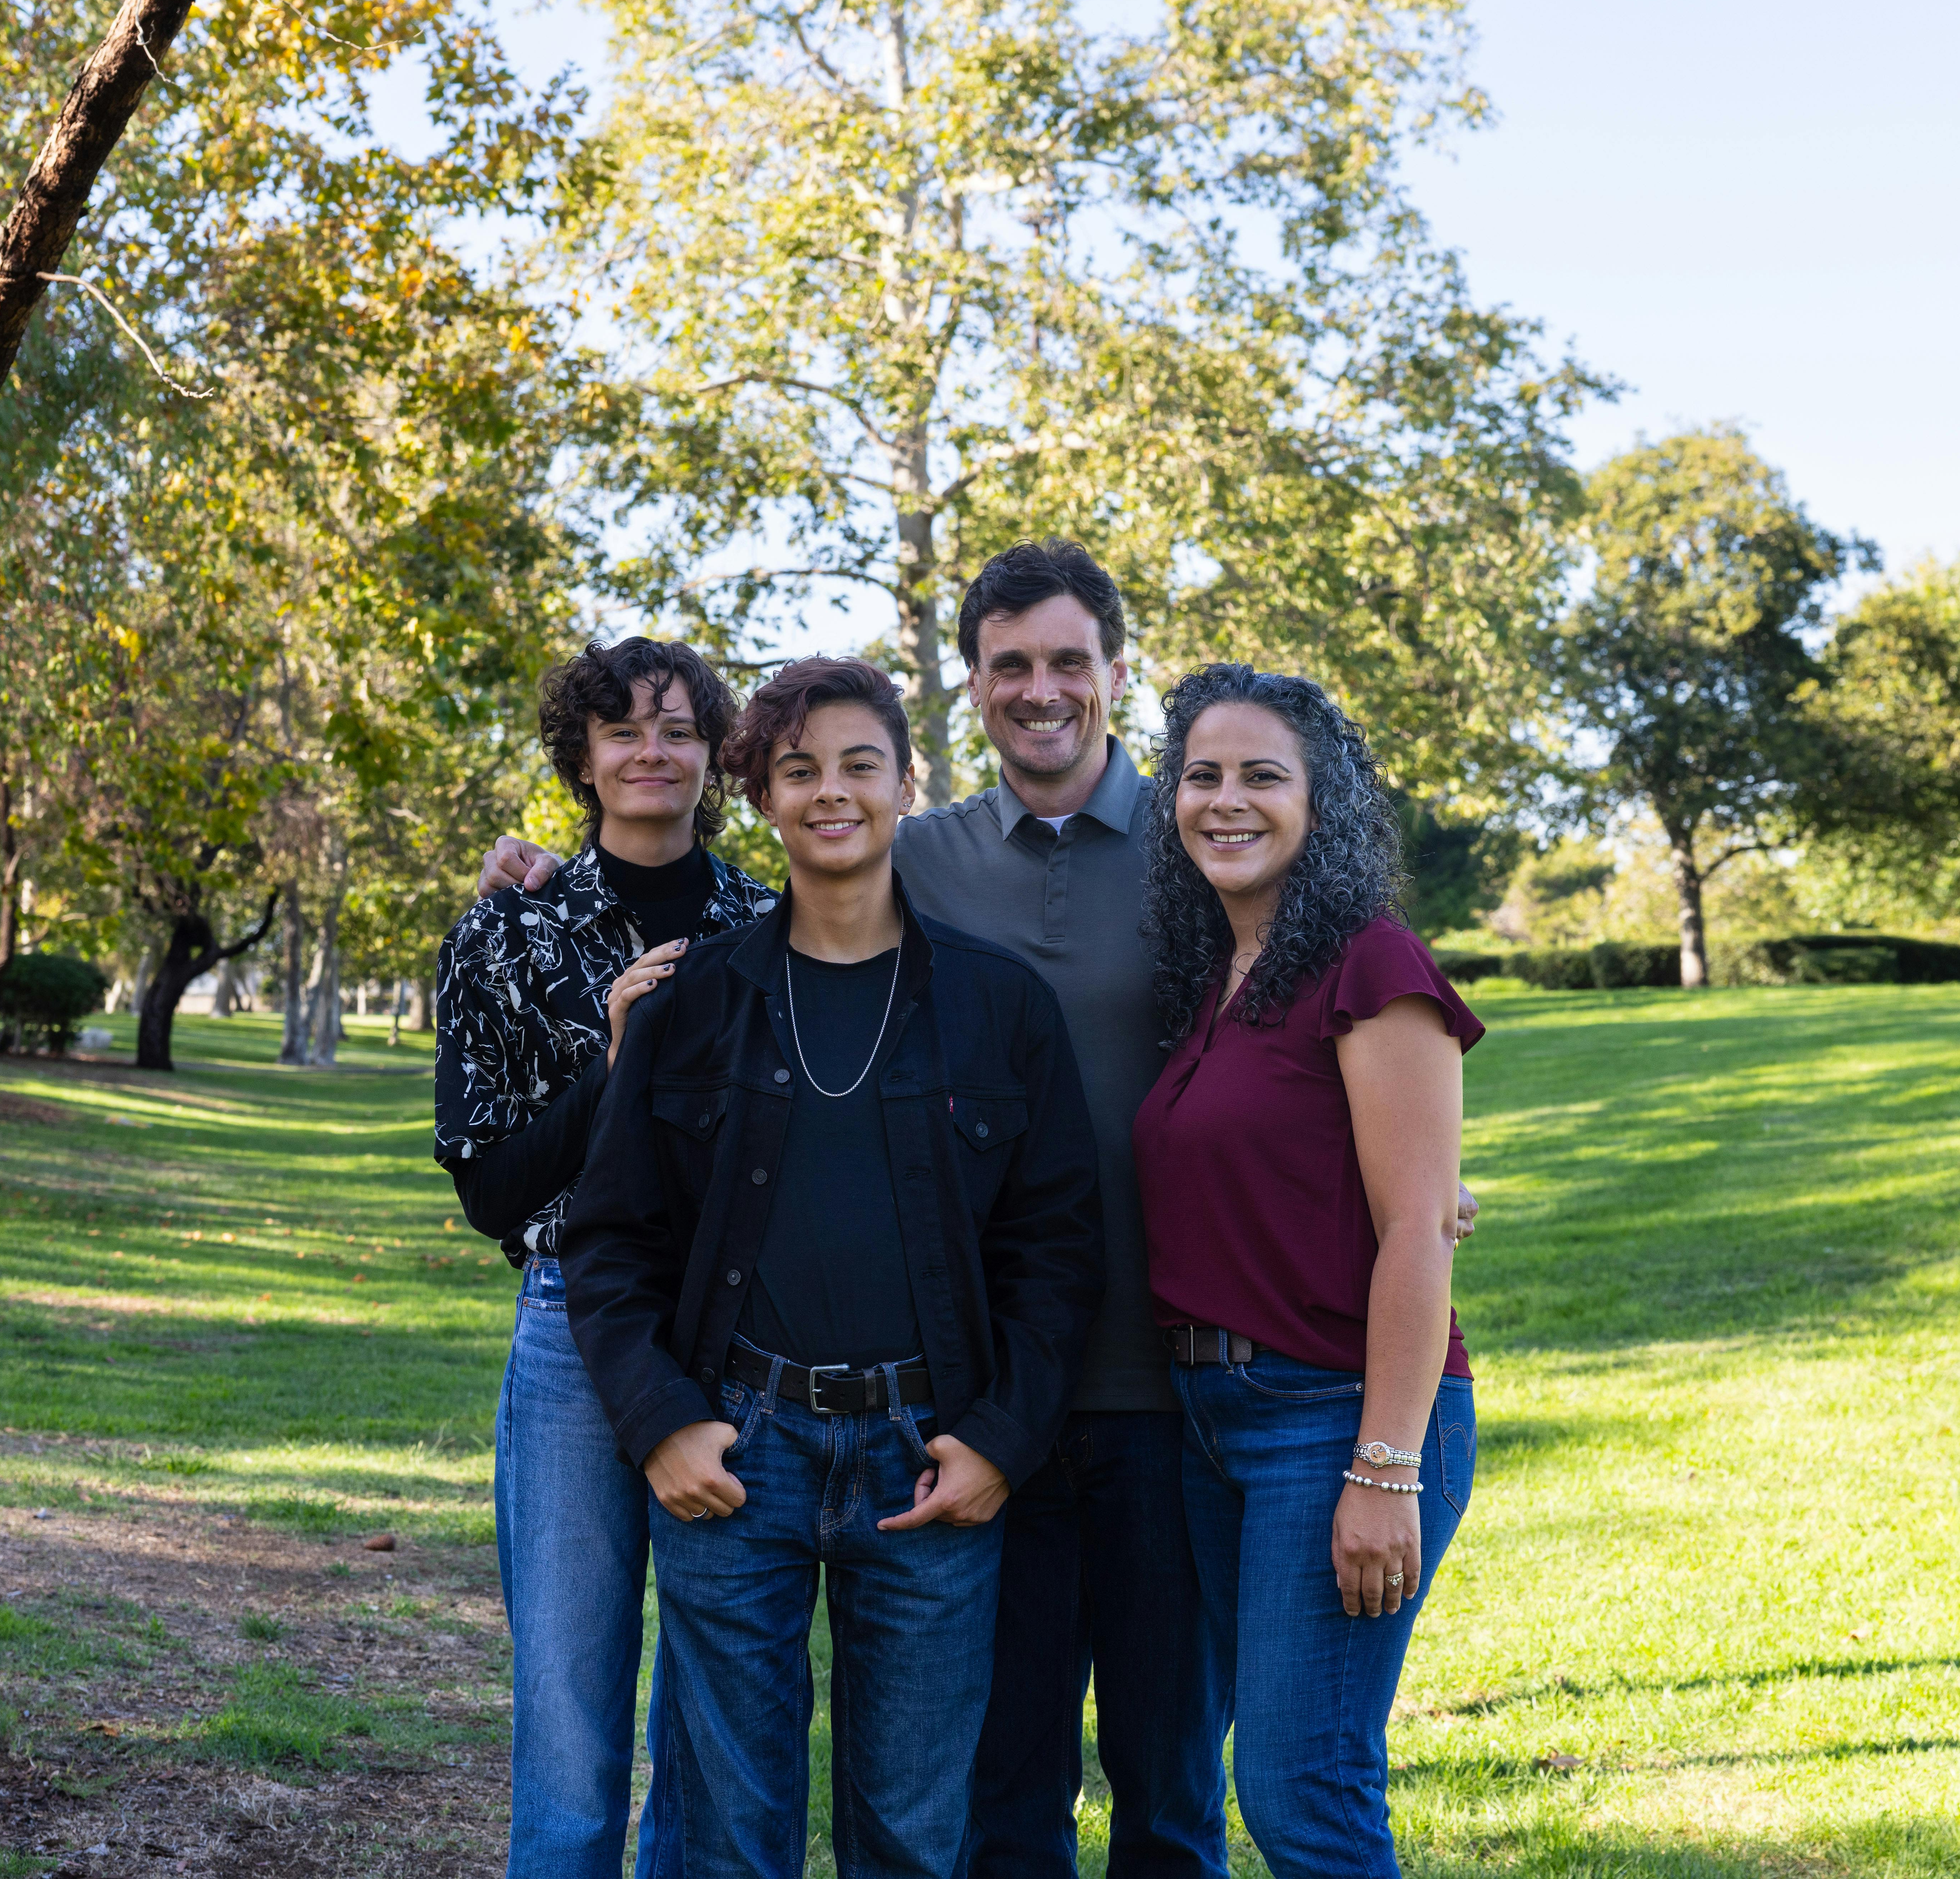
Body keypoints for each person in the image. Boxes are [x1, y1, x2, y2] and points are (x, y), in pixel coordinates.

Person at [479, 542, 1476, 1879]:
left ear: (1117, 676)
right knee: (963, 1794)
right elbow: (625, 1201)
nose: (1042, 689)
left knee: (1174, 1781)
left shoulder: (1197, 867)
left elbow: (1319, 1065)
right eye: (1011, 666)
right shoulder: (840, 911)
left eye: (1071, 661)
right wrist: (571, 856)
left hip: (1144, 1404)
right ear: (968, 694)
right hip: (906, 1410)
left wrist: (1415, 1186)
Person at [560, 657, 1105, 1879]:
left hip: (929, 1456)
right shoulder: (696, 1004)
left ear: (908, 783)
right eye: (799, 770)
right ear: (761, 797)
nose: (832, 793)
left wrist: (1003, 1440)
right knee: (728, 1841)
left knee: (913, 1837)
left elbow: (1060, 1253)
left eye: (862, 764)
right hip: (737, 1455)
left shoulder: (999, 1006)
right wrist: (662, 1426)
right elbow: (607, 1243)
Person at [433, 637, 778, 1879]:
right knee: (573, 1708)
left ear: (713, 757)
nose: (653, 751)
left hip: (743, 1338)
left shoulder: (770, 925)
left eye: (679, 729)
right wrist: (616, 1062)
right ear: (581, 758)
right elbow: (491, 1189)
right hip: (576, 1334)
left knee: (712, 1707)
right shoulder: (506, 935)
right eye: (625, 730)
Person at [1130, 664, 1481, 1879]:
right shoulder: (1212, 978)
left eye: (1262, 777)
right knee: (1269, 1771)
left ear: (1320, 805)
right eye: (1202, 775)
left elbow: (1417, 1231)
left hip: (1334, 1420)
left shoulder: (1370, 964)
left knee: (1302, 1787)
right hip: (1207, 1423)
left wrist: (1384, 1469)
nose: (1226, 801)